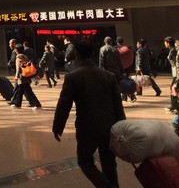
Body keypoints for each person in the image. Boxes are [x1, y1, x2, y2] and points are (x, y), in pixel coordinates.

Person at [52, 40, 126, 188]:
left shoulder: (73, 76)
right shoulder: (109, 76)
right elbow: (117, 105)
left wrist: (57, 127)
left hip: (87, 127)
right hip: (109, 125)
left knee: (85, 161)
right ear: (93, 53)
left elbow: (64, 105)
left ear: (77, 55)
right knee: (109, 163)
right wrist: (123, 125)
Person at [9, 44, 42, 109]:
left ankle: (36, 104)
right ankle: (18, 104)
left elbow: (18, 67)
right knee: (21, 91)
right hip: (27, 76)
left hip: (22, 76)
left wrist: (16, 75)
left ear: (16, 50)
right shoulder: (24, 56)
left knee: (26, 91)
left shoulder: (18, 57)